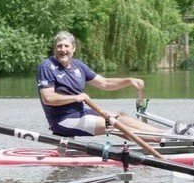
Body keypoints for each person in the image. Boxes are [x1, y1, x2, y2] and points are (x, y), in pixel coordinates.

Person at [36, 30, 171, 139]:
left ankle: (167, 134)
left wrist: (128, 81)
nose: (62, 49)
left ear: (74, 48)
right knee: (113, 124)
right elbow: (48, 98)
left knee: (121, 116)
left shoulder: (77, 65)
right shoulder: (47, 66)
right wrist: (76, 98)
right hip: (63, 120)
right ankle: (163, 141)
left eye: (66, 46)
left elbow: (104, 83)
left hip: (81, 113)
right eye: (59, 46)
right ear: (54, 49)